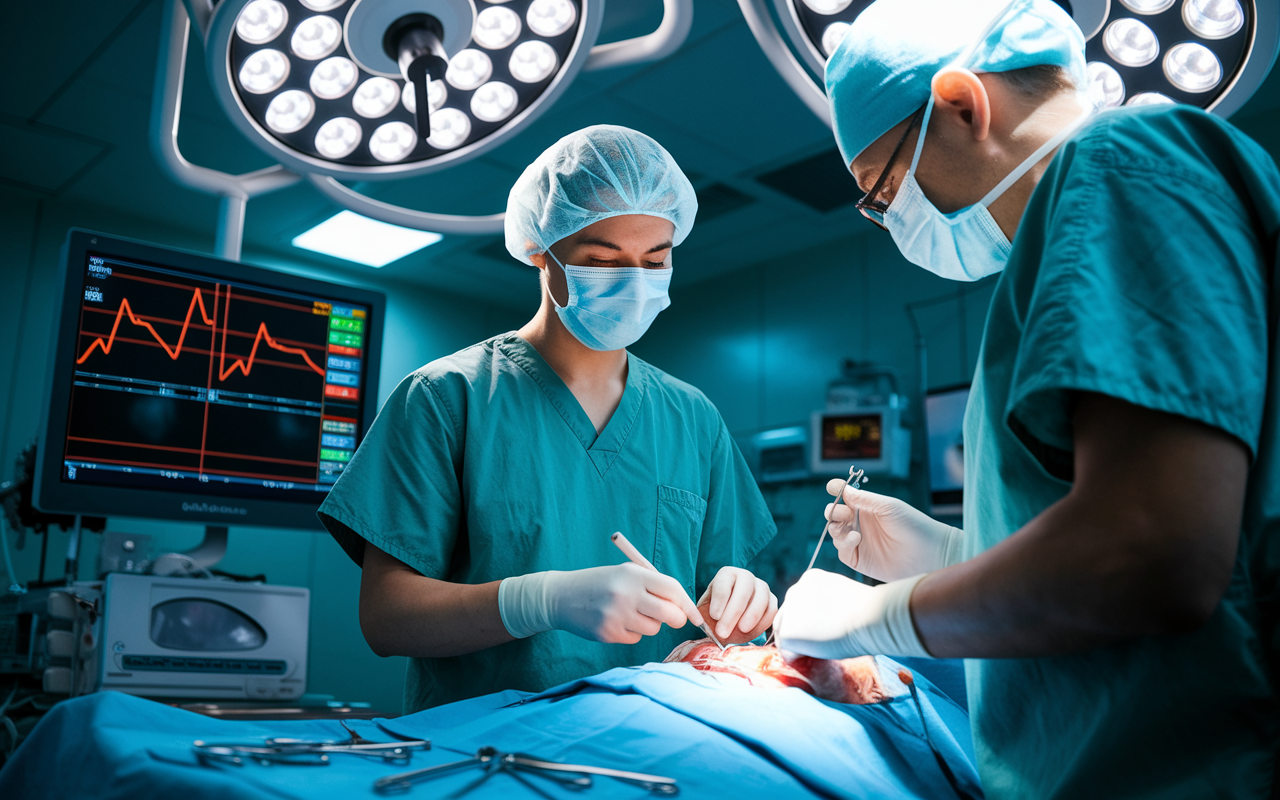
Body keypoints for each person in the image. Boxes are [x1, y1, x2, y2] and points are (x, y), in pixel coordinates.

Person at [773, 0, 1280, 797]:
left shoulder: (1122, 163)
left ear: (963, 103)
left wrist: (880, 617)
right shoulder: (1068, 248)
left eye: (881, 188)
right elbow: (1116, 532)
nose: (887, 219)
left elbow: (1156, 555)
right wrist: (953, 552)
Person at [318, 125, 778, 712]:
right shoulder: (445, 398)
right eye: (603, 260)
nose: (634, 282)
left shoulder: (694, 418)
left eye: (655, 260)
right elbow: (386, 620)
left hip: (658, 747)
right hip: (489, 755)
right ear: (542, 251)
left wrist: (744, 606)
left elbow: (718, 618)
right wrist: (540, 601)